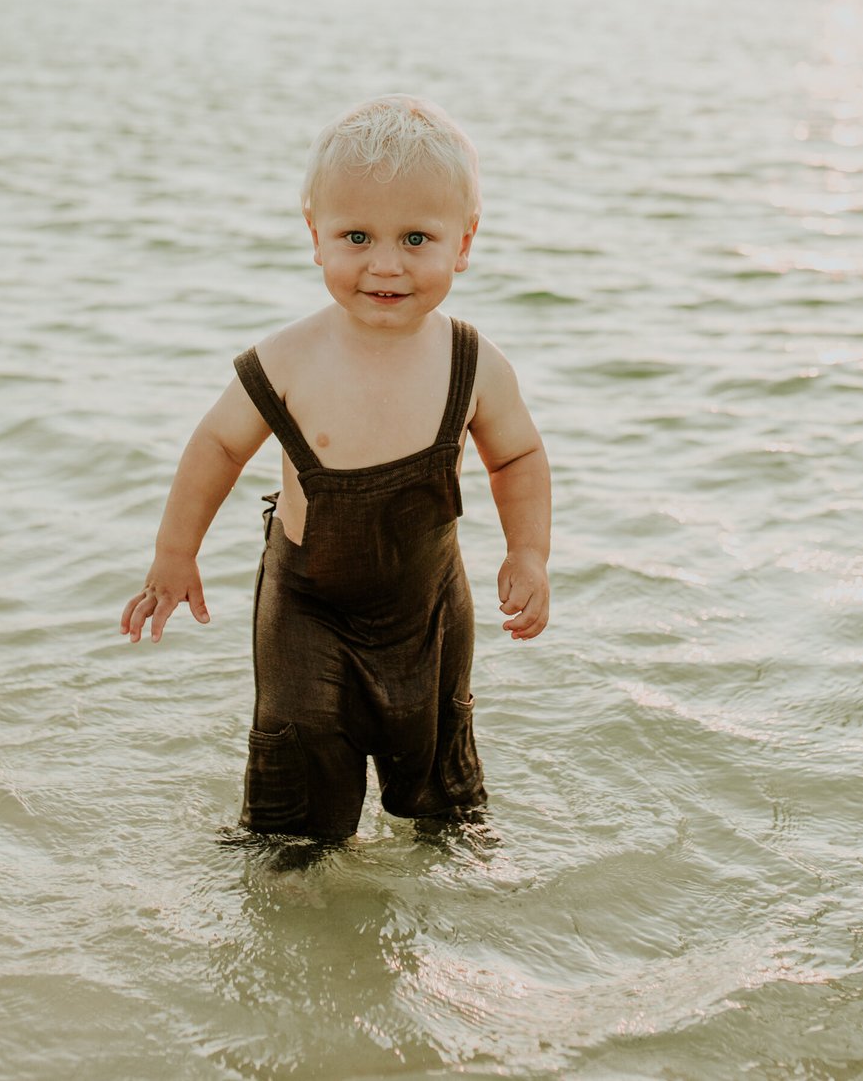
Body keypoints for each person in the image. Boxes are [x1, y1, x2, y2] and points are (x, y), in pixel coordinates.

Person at [120, 95, 551, 840]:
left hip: (429, 609)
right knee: (297, 815)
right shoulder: (289, 358)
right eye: (357, 236)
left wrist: (528, 552)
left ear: (464, 243)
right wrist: (174, 552)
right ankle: (296, 899)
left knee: (443, 802)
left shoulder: (472, 362)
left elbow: (517, 455)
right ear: (315, 238)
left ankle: (448, 900)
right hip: (308, 613)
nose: (385, 264)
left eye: (416, 238)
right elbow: (218, 446)